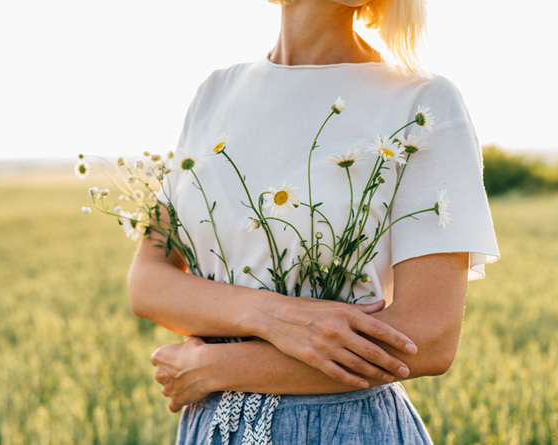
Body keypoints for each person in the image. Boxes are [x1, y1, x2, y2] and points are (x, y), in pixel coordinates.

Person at [126, 0, 500, 443]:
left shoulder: (421, 102)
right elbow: (148, 280)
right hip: (211, 427)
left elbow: (429, 336)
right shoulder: (215, 92)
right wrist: (272, 317)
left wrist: (217, 367)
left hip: (344, 428)